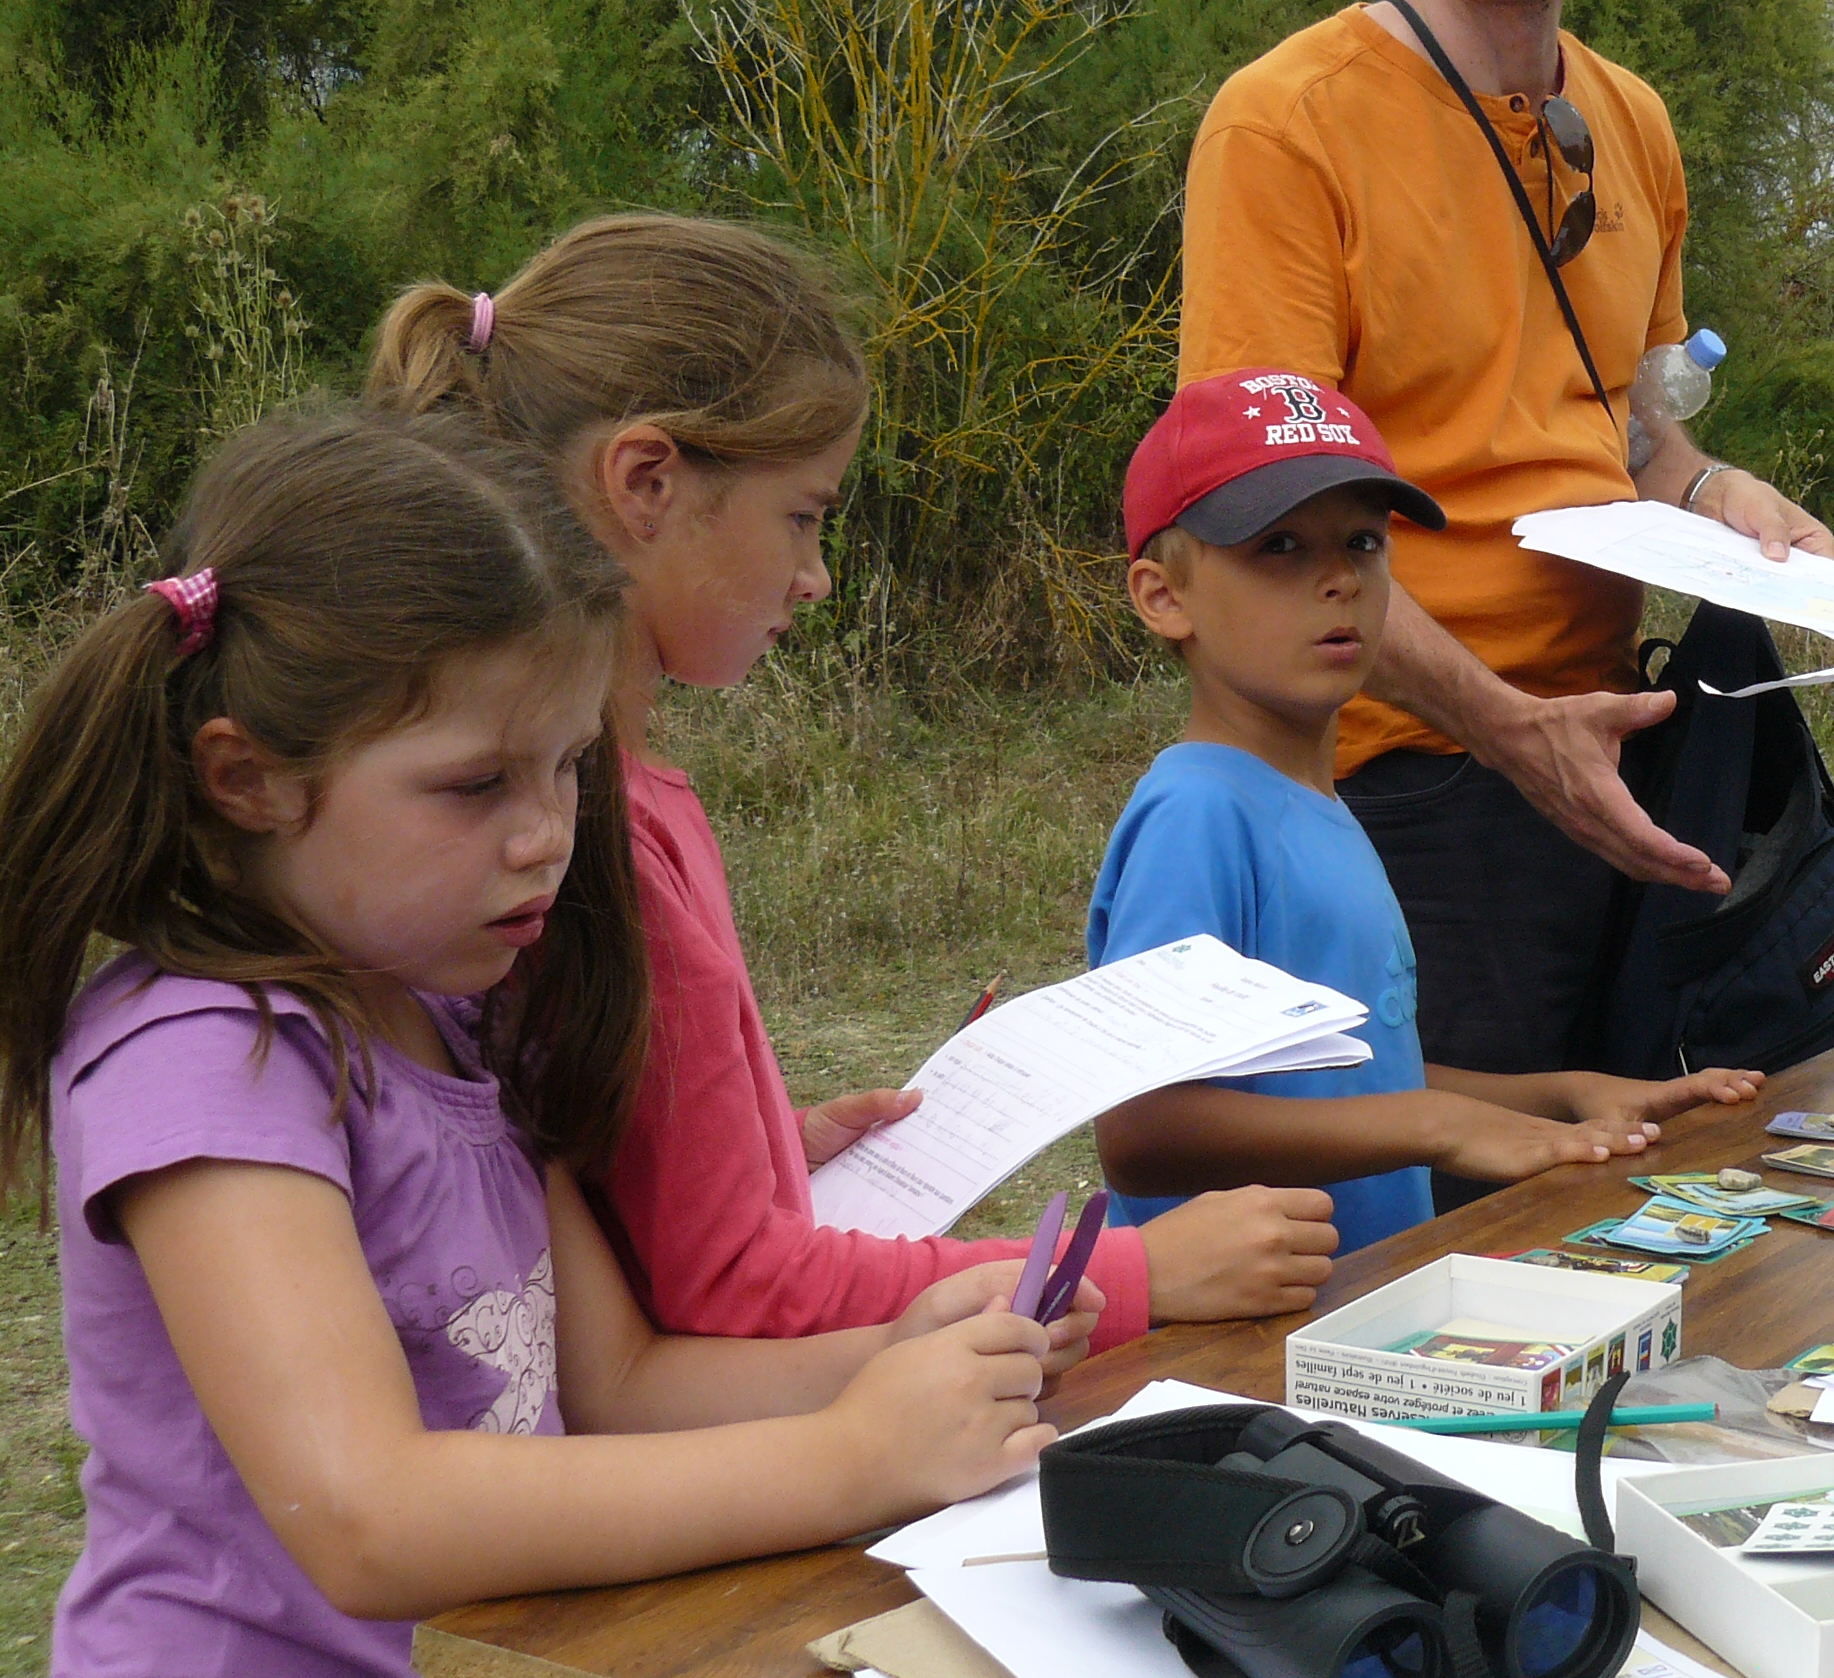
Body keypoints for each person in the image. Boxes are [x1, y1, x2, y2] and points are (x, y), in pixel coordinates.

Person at [0, 409, 1081, 1678]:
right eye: (475, 785)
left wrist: (889, 1360)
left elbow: (615, 1386)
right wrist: (849, 1458)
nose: (546, 837)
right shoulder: (203, 1061)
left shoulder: (460, 1025)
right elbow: (368, 1518)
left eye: (569, 766)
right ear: (251, 779)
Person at [366, 215, 1337, 1343]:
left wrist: (771, 1146)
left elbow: (639, 1191)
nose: (817, 577)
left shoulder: (623, 807)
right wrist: (1136, 1271)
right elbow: (736, 1286)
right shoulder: (599, 839)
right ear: (646, 483)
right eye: (804, 517)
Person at [1180, 0, 1832, 1080]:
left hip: (1613, 747)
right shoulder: (1287, 125)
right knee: (1443, 1257)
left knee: (1647, 1202)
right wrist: (1510, 731)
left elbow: (1633, 426)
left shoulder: (1635, 123)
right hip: (1394, 780)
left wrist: (1728, 492)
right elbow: (1264, 519)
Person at [1090, 369, 1760, 1245]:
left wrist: (1559, 1097)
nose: (1339, 580)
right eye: (1279, 548)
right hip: (1245, 1348)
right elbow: (1142, 1133)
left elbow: (1361, 1081)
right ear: (1163, 596)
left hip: (1356, 1323)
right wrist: (1442, 1130)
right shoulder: (1199, 814)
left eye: (1364, 542)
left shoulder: (1317, 804)